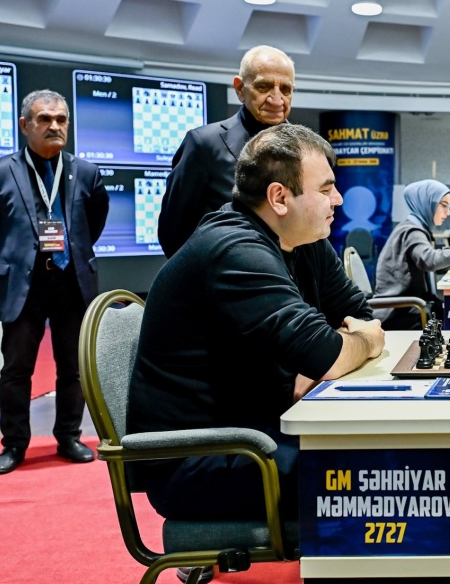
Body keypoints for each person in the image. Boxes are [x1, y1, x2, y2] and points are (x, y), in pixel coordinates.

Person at [128, 123, 383, 523]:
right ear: (279, 198)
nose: (338, 199)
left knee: (380, 454)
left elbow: (358, 314)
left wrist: (326, 354)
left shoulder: (304, 241)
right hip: (201, 460)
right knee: (379, 473)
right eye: (326, 189)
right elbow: (336, 350)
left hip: (256, 430)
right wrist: (358, 344)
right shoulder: (234, 250)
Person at [0, 90, 109, 474]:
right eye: (44, 119)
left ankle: (69, 437)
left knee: (73, 368)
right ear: (24, 125)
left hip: (70, 281)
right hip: (22, 284)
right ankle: (14, 444)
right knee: (16, 370)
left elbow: (93, 223)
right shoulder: (3, 171)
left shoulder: (87, 172)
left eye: (61, 119)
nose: (55, 126)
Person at [158, 45, 295, 257]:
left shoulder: (307, 150)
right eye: (264, 87)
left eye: (285, 89)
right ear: (240, 89)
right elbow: (173, 234)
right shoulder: (203, 144)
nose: (276, 99)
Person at [372, 180, 450, 330]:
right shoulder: (412, 231)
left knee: (442, 310)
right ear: (427, 203)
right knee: (449, 315)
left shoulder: (412, 228)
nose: (448, 212)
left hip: (407, 306)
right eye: (444, 205)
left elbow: (425, 263)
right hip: (398, 311)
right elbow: (430, 260)